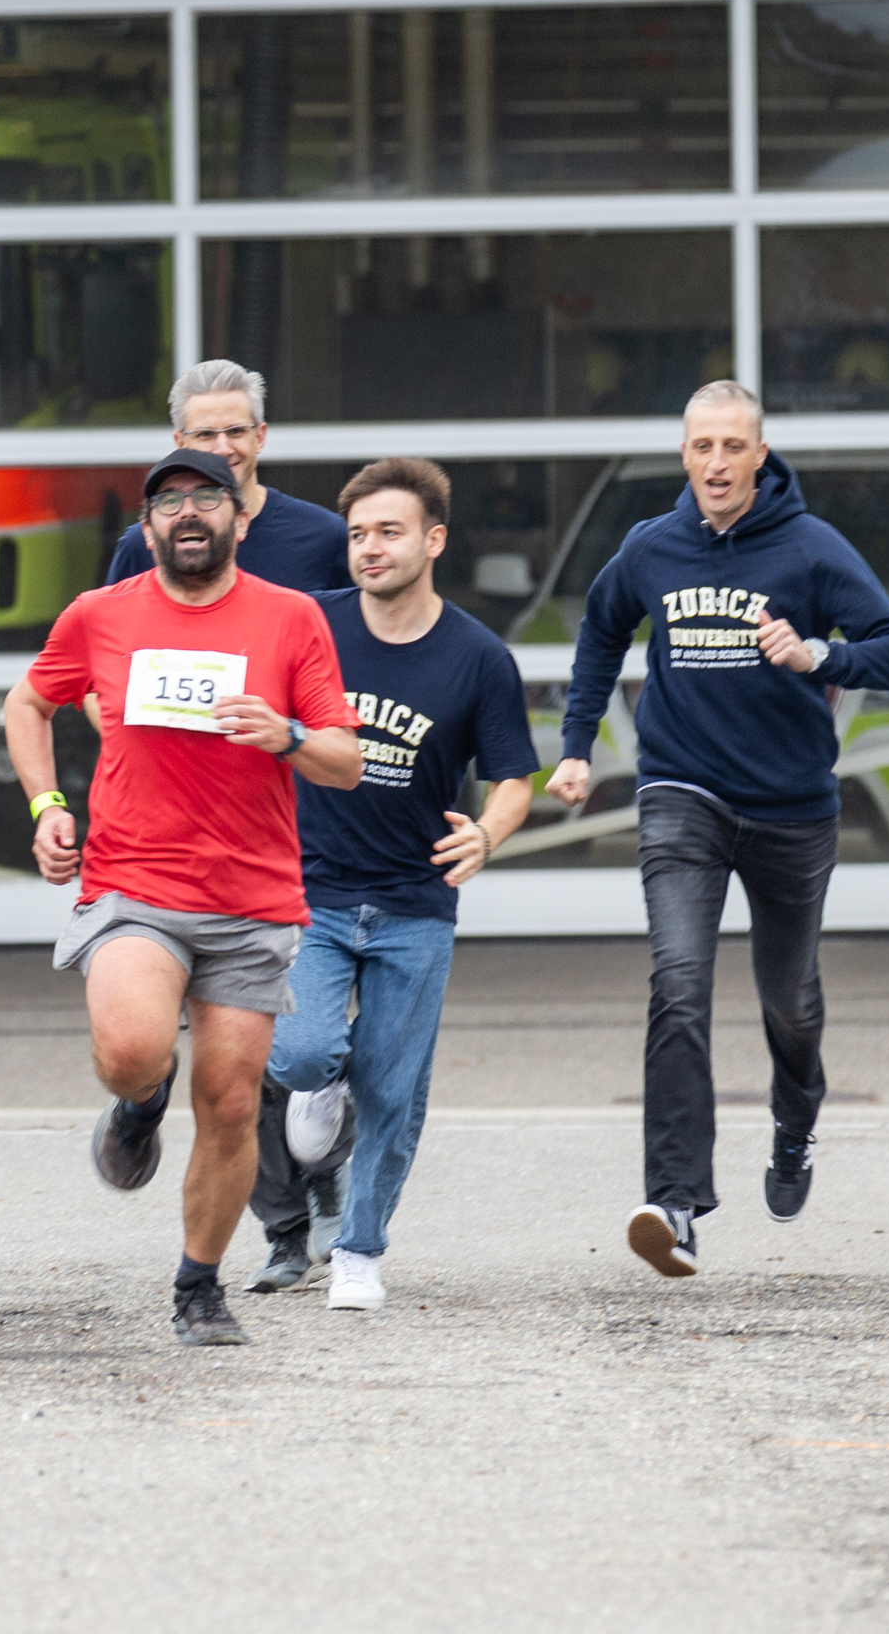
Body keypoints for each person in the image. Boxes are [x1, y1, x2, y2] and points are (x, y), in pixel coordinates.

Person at [549, 382, 889, 1279]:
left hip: (792, 807)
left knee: (788, 999)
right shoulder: (651, 545)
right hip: (683, 791)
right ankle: (675, 1204)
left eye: (732, 446)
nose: (716, 463)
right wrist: (575, 746)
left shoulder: (810, 546)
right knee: (678, 982)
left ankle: (795, 1121)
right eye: (701, 446)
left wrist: (819, 654)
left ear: (761, 454)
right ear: (684, 454)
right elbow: (601, 633)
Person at [5, 449, 362, 1347]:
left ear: (240, 517)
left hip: (250, 897)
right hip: (136, 882)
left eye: (208, 497)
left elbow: (346, 760)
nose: (189, 512)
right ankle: (139, 1102)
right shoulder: (101, 613)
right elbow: (28, 703)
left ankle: (198, 1286)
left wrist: (285, 734)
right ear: (147, 526)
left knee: (233, 1105)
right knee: (132, 1050)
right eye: (170, 502)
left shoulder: (291, 618)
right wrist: (47, 806)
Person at [244, 458, 536, 1313]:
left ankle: (358, 1252)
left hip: (415, 904)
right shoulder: (310, 625)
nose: (369, 548)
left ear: (434, 541)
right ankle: (326, 1081)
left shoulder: (478, 657)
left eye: (389, 532)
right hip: (312, 892)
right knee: (300, 1052)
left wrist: (488, 832)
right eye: (358, 534)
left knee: (394, 1093)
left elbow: (514, 777)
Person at [104, 359, 348, 593]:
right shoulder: (144, 545)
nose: (223, 449)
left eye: (236, 431)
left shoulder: (324, 535)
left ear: (260, 437)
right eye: (205, 435)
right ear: (180, 443)